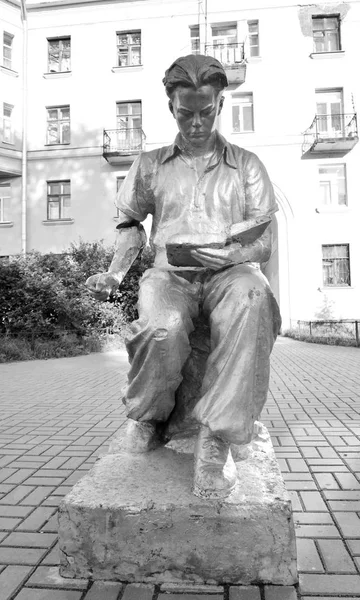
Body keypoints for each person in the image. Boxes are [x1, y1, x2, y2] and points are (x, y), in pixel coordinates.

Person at [86, 54, 281, 499]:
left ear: (220, 104)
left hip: (230, 273)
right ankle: (149, 418)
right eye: (185, 112)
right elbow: (129, 225)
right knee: (162, 327)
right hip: (169, 274)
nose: (196, 123)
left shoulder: (247, 164)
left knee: (253, 297)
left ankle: (217, 437)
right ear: (171, 107)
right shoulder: (150, 164)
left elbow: (262, 242)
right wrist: (115, 275)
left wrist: (229, 253)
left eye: (206, 112)